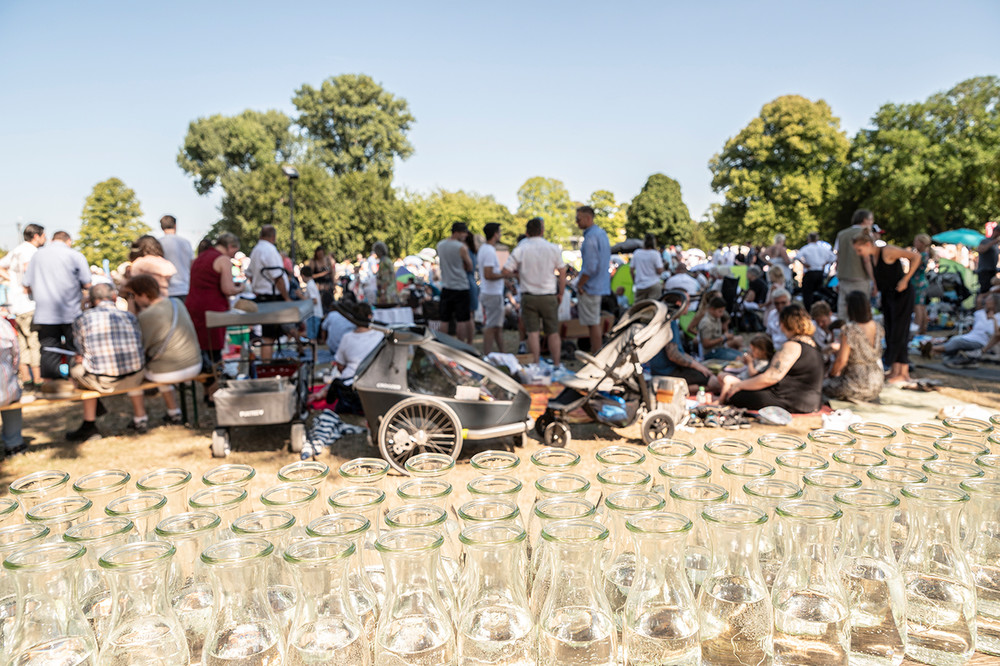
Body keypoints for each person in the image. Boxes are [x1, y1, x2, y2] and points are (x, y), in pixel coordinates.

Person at [66, 284, 145, 442]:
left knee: (75, 368)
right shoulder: (129, 316)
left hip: (103, 381)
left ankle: (90, 423)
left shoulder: (83, 318)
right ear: (114, 298)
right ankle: (141, 417)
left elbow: (80, 351)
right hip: (135, 376)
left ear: (91, 300)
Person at [125, 274, 202, 429]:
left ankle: (140, 418)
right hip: (195, 364)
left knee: (132, 373)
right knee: (160, 363)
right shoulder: (176, 303)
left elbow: (137, 347)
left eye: (133, 295)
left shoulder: (146, 316)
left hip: (168, 372)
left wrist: (131, 309)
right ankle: (174, 412)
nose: (133, 299)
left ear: (143, 295)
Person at [720, 303, 824, 413]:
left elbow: (771, 377)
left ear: (783, 324)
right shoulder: (813, 345)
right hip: (811, 401)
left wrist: (740, 385)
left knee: (736, 395)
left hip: (792, 400)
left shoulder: (792, 345)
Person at [22, 231, 92, 386]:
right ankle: (76, 383)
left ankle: (50, 386)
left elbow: (26, 283)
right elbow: (87, 282)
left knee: (48, 349)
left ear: (53, 240)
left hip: (45, 313)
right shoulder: (74, 255)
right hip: (71, 312)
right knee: (75, 349)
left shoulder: (37, 256)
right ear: (69, 241)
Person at [853, 229, 920, 384]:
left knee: (900, 331)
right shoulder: (872, 257)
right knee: (890, 330)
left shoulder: (887, 251)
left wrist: (906, 279)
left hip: (902, 294)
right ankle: (895, 369)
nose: (858, 253)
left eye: (859, 250)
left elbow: (915, 257)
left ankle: (903, 371)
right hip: (889, 296)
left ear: (868, 244)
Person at [502, 217, 567, 367]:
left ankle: (536, 364)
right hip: (548, 294)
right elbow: (562, 271)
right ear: (542, 230)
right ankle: (556, 364)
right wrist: (561, 293)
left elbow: (505, 270)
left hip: (529, 295)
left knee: (532, 332)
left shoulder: (521, 248)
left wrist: (518, 275)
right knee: (552, 332)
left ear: (527, 232)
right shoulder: (552, 248)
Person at [186, 233, 242, 387]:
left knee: (203, 350)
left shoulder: (200, 258)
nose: (233, 256)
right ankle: (214, 391)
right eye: (234, 252)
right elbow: (228, 289)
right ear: (230, 247)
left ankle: (208, 389)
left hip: (194, 307)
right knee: (214, 351)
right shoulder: (223, 259)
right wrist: (241, 288)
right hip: (212, 309)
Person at [648, 292, 721, 395]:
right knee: (715, 382)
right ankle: (678, 390)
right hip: (667, 372)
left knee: (706, 372)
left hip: (663, 370)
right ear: (679, 304)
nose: (689, 306)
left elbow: (678, 352)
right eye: (688, 303)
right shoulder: (669, 322)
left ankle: (682, 389)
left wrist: (697, 364)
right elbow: (674, 355)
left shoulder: (668, 320)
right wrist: (697, 366)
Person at [0, 223, 45, 385]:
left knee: (21, 343)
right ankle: (38, 378)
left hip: (15, 305)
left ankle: (25, 377)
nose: (44, 239)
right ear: (36, 236)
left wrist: (12, 281)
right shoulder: (30, 251)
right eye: (43, 235)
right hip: (28, 304)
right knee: (34, 342)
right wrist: (27, 286)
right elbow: (27, 270)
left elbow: (1, 265)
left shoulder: (16, 250)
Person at [824, 291, 884, 403]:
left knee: (823, 386)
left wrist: (831, 374)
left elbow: (841, 361)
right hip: (877, 381)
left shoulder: (849, 329)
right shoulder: (877, 326)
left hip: (857, 383)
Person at [247, 225, 290, 360]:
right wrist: (286, 297)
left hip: (264, 296)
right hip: (272, 297)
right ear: (273, 237)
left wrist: (257, 288)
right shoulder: (269, 250)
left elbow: (249, 273)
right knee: (269, 337)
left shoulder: (256, 250)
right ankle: (267, 365)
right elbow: (277, 277)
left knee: (270, 335)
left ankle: (268, 363)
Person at [923, 293, 1000, 365]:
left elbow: (997, 334)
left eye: (989, 299)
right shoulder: (980, 314)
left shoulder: (998, 317)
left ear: (995, 303)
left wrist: (994, 319)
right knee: (954, 339)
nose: (986, 301)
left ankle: (932, 349)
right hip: (971, 337)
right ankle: (933, 351)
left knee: (957, 342)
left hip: (982, 341)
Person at [576, 206, 611, 352]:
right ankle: (596, 353)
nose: (576, 222)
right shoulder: (601, 234)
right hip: (598, 285)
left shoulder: (591, 237)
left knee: (593, 323)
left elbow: (591, 266)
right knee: (594, 322)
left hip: (590, 287)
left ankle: (596, 354)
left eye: (578, 219)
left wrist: (580, 284)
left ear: (588, 218)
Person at [834, 210, 876, 320]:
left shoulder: (841, 234)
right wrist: (873, 280)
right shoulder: (865, 234)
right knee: (860, 311)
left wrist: (837, 277)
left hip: (844, 277)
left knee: (843, 310)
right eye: (871, 219)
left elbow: (838, 258)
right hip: (860, 277)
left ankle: (844, 333)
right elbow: (866, 260)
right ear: (865, 220)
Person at [437, 222, 474, 344]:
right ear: (457, 232)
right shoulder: (461, 247)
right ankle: (461, 346)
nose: (465, 236)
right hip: (461, 286)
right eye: (464, 233)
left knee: (444, 319)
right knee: (462, 319)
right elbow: (470, 266)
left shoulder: (440, 245)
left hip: (446, 285)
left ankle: (443, 345)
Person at [333, 304, 382, 383]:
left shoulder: (347, 337)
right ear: (370, 316)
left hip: (351, 381)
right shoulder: (380, 335)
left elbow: (340, 365)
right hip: (375, 380)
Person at [477, 222, 505, 355]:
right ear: (495, 233)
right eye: (499, 232)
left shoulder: (485, 249)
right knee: (491, 326)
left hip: (491, 291)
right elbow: (488, 274)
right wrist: (506, 275)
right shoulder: (488, 250)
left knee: (497, 326)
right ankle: (487, 356)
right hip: (492, 293)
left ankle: (503, 354)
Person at [0, 318, 25, 458]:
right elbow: (16, 355)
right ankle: (14, 444)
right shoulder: (3, 324)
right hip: (6, 387)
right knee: (13, 396)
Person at [158, 215, 194, 302]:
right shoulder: (186, 242)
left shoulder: (158, 243)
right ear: (175, 225)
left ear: (161, 227)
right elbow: (192, 264)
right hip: (184, 288)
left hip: (165, 290)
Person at [129, 235, 176, 300]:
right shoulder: (167, 263)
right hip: (164, 301)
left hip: (144, 302)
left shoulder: (139, 263)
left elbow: (133, 285)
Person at [797, 232, 836, 310]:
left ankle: (809, 310)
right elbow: (833, 257)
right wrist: (824, 264)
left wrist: (805, 264)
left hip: (810, 272)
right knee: (819, 291)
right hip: (819, 272)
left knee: (807, 294)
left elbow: (797, 256)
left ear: (808, 239)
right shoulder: (822, 248)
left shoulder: (806, 248)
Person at [631, 233, 665, 301]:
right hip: (653, 284)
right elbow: (659, 271)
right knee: (653, 307)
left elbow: (631, 270)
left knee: (638, 307)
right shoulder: (655, 254)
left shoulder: (637, 253)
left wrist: (635, 281)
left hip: (640, 285)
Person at [912, 234, 933, 334]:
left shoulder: (921, 255)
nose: (914, 243)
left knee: (918, 307)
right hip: (921, 281)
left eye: (916, 242)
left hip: (917, 282)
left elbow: (914, 267)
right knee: (922, 307)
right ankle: (923, 329)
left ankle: (916, 330)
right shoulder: (925, 254)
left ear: (921, 243)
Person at [977, 225, 1000, 306]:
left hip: (992, 271)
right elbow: (980, 249)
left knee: (991, 292)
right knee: (985, 292)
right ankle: (980, 310)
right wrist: (994, 241)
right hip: (984, 271)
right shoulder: (985, 241)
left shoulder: (996, 244)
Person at [299, 266, 323, 340]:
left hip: (313, 314)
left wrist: (300, 296)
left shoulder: (310, 285)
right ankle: (314, 351)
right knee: (312, 337)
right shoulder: (311, 284)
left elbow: (314, 300)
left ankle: (313, 351)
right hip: (315, 313)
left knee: (312, 337)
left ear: (303, 275)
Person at [372, 241, 399, 306]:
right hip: (391, 291)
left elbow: (385, 280)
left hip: (387, 294)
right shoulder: (387, 260)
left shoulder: (383, 262)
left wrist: (382, 293)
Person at [309, 246, 335, 311]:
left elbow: (332, 272)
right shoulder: (313, 261)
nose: (320, 256)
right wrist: (322, 274)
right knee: (321, 302)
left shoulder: (327, 259)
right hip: (319, 285)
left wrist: (334, 283)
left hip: (328, 284)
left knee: (330, 301)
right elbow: (310, 275)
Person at [464, 232, 480, 325]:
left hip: (467, 284)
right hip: (472, 283)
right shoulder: (472, 252)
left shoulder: (466, 252)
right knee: (470, 314)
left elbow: (468, 267)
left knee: (467, 315)